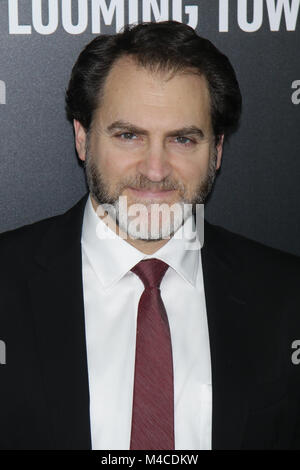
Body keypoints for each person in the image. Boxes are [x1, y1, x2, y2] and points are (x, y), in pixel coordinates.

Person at [0, 20, 299, 451]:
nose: (155, 170)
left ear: (216, 152)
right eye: (128, 136)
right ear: (82, 138)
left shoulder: (287, 297)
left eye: (182, 139)